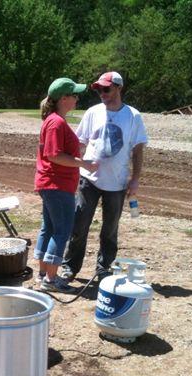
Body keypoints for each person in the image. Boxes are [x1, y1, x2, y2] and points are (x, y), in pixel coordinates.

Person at [61, 71, 148, 282]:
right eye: (99, 89)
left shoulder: (133, 116)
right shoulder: (92, 112)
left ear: (119, 88)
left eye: (106, 89)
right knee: (79, 225)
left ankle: (104, 269)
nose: (101, 93)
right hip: (89, 180)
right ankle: (70, 267)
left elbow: (137, 150)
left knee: (110, 230)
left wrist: (135, 179)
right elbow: (80, 143)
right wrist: (72, 166)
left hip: (117, 183)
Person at [34, 78, 98, 293]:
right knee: (61, 231)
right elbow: (54, 155)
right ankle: (51, 280)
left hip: (52, 184)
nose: (77, 98)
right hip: (57, 184)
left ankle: (44, 274)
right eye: (74, 95)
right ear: (63, 98)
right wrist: (83, 163)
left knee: (50, 228)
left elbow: (56, 150)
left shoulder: (54, 121)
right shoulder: (56, 122)